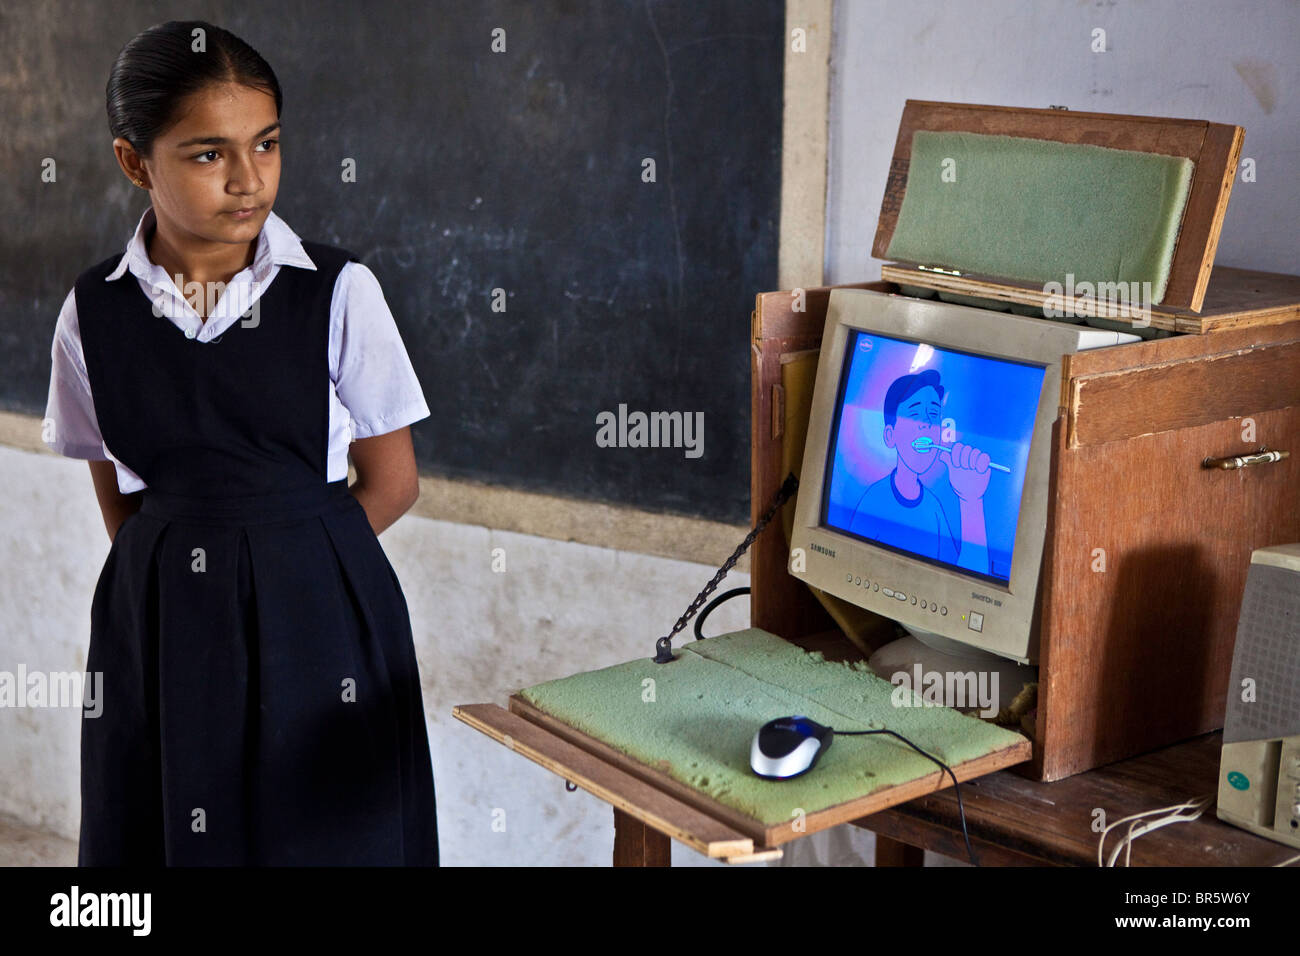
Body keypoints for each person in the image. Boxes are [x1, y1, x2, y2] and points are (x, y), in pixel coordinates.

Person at [42, 20, 439, 865]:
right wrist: (191, 584)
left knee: (326, 833)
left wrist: (287, 576)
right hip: (159, 621)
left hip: (321, 615)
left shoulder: (336, 292)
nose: (249, 178)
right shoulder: (93, 310)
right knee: (163, 824)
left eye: (266, 143)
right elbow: (115, 485)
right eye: (207, 154)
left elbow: (393, 481)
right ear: (134, 162)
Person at [848, 369, 991, 575]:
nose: (927, 424)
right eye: (914, 414)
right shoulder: (874, 499)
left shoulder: (933, 508)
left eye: (934, 415)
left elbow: (967, 574)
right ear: (890, 436)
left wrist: (971, 500)